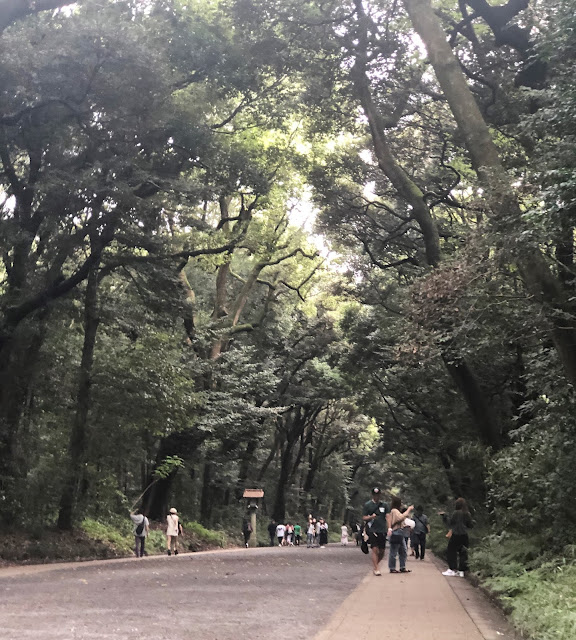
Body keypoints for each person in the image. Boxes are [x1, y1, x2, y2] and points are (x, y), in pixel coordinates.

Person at [441, 497, 473, 577]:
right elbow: (470, 525)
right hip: (464, 535)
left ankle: (452, 569)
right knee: (463, 552)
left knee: (451, 551)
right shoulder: (467, 513)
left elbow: (450, 522)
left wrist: (445, 517)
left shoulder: (456, 513)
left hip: (456, 534)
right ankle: (461, 570)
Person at [362, 487, 390, 576]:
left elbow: (388, 517)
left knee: (382, 551)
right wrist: (371, 517)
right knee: (374, 549)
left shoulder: (384, 505)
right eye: (375, 495)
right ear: (372, 495)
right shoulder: (368, 505)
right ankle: (376, 568)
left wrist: (389, 528)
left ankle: (376, 564)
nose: (376, 497)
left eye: (378, 495)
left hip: (382, 530)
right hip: (372, 529)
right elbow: (364, 517)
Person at [388, 496, 414, 574]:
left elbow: (398, 521)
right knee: (394, 551)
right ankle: (392, 568)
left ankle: (402, 567)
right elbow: (400, 518)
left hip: (400, 532)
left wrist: (404, 526)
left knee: (403, 550)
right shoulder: (394, 511)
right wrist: (409, 510)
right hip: (396, 532)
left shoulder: (395, 511)